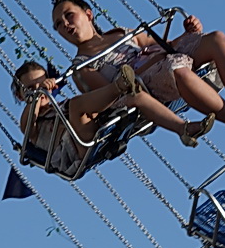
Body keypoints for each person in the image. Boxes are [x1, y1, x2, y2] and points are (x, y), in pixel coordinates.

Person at [50, 0, 225, 136]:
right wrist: (145, 65)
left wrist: (187, 33)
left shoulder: (120, 33)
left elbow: (164, 45)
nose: (66, 25)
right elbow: (114, 92)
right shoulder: (82, 65)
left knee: (216, 39)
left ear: (88, 14)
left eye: (69, 16)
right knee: (177, 71)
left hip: (165, 58)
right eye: (59, 25)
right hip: (145, 82)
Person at [14, 61, 214, 174]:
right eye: (30, 89)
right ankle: (119, 86)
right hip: (74, 151)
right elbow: (27, 125)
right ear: (21, 96)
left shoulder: (61, 106)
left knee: (136, 97)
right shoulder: (33, 122)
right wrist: (35, 100)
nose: (38, 92)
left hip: (98, 129)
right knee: (77, 105)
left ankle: (184, 129)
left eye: (42, 85)